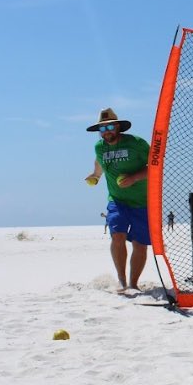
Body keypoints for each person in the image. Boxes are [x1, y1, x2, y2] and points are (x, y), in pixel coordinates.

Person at [85, 108, 151, 292]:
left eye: (111, 126)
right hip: (117, 200)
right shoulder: (99, 147)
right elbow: (99, 162)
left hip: (143, 201)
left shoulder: (136, 143)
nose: (107, 132)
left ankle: (134, 284)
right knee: (117, 236)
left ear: (119, 127)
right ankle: (122, 283)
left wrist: (134, 178)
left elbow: (155, 167)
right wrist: (96, 176)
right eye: (103, 129)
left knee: (140, 244)